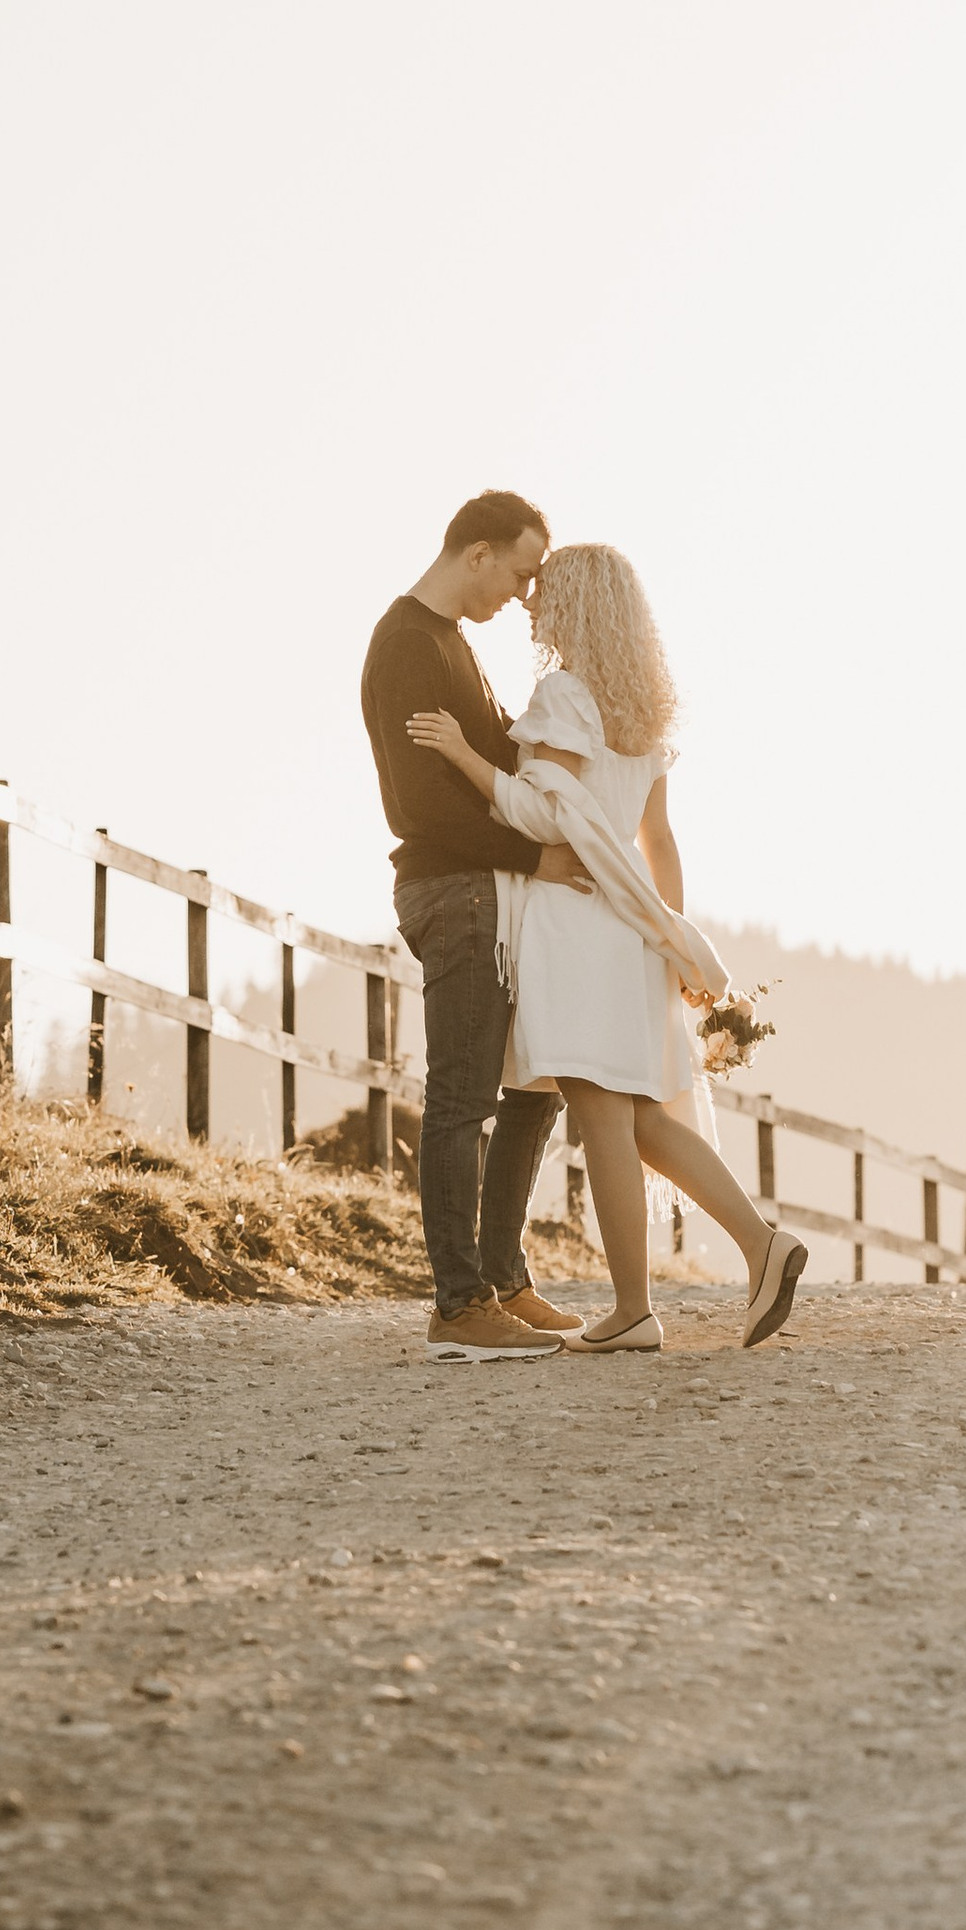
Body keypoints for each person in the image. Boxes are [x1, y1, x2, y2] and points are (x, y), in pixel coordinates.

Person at [408, 540, 807, 1353]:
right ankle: (761, 1244)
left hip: (576, 922)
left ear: (577, 607)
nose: (530, 603)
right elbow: (658, 840)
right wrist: (671, 939)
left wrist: (462, 756)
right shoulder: (645, 714)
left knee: (600, 1115)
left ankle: (633, 1309)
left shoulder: (565, 694)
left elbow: (544, 815)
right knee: (637, 1117)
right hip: (632, 923)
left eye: (545, 592)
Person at [360, 490, 594, 1361]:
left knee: (536, 1082)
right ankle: (459, 1307)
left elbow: (497, 757)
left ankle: (503, 1280)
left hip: (490, 893)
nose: (523, 595)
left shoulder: (455, 644)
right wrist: (537, 858)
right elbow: (420, 806)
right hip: (451, 891)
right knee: (463, 1096)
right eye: (520, 575)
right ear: (478, 553)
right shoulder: (408, 645)